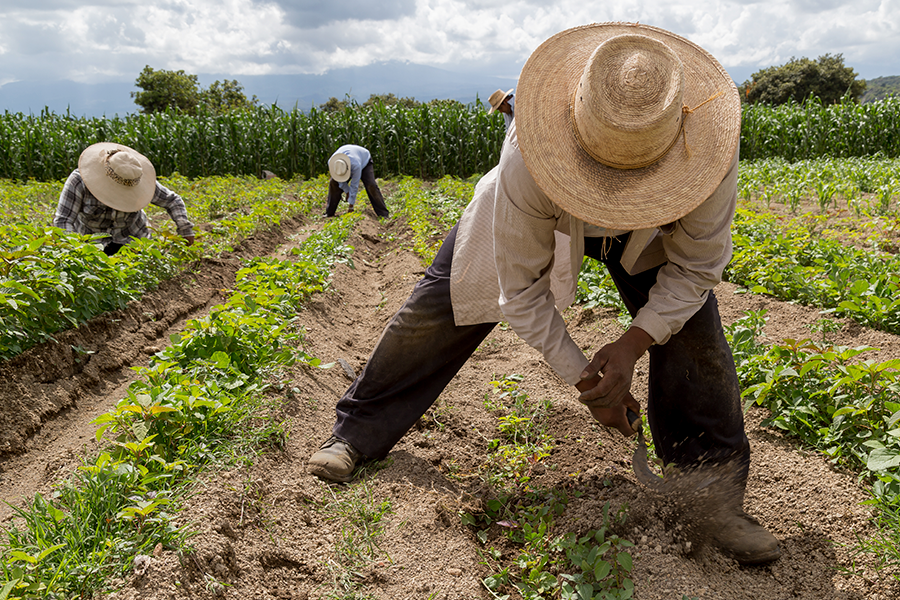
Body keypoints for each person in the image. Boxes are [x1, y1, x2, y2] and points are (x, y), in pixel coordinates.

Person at [308, 23, 781, 565]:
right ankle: (355, 433)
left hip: (655, 235)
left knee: (695, 339)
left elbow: (697, 269)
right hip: (547, 213)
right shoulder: (528, 160)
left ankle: (712, 502)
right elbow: (521, 292)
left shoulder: (708, 153)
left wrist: (632, 344)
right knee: (441, 309)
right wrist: (586, 378)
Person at [53, 143, 194, 256]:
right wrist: (74, 252)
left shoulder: (135, 178)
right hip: (93, 247)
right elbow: (64, 220)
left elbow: (172, 201)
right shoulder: (80, 181)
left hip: (134, 242)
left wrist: (185, 230)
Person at [325, 144, 390, 218]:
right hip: (350, 157)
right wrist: (347, 191)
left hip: (364, 160)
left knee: (371, 185)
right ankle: (329, 213)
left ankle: (383, 214)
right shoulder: (332, 163)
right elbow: (339, 180)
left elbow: (354, 185)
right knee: (334, 183)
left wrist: (351, 205)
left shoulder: (355, 165)